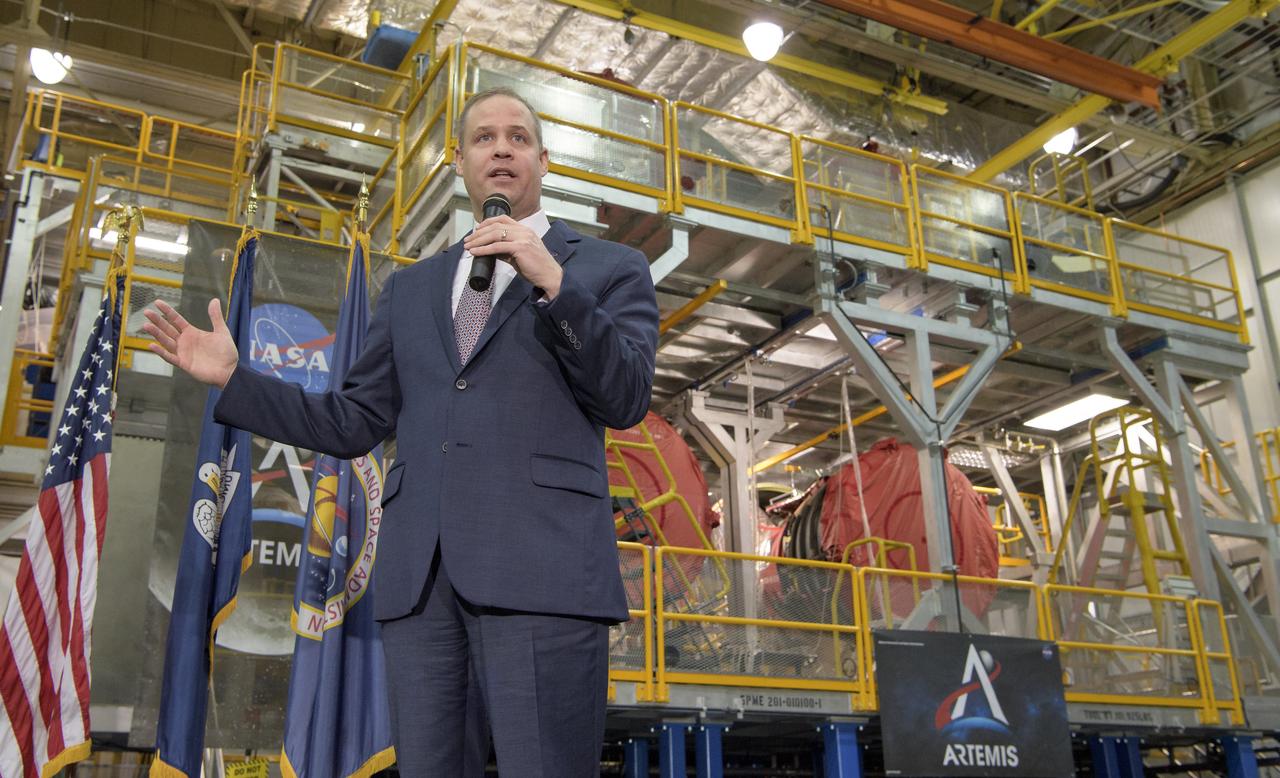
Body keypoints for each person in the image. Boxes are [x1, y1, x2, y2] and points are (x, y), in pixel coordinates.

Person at [143, 86, 659, 776]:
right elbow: (352, 420)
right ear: (459, 162)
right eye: (483, 137)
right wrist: (236, 383)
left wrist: (553, 284)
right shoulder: (413, 289)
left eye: (517, 137)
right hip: (423, 588)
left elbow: (624, 396)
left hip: (546, 575)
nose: (501, 148)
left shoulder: (604, 268)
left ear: (542, 159)